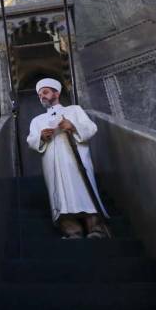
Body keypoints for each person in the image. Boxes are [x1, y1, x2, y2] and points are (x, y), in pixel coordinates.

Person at [25, 78, 110, 239]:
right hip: (53, 164)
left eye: (45, 92)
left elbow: (91, 128)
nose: (41, 96)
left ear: (56, 93)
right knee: (61, 196)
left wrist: (72, 126)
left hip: (75, 159)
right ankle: (72, 232)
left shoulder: (74, 110)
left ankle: (96, 229)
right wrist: (41, 137)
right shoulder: (37, 121)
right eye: (39, 94)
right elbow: (31, 140)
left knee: (84, 190)